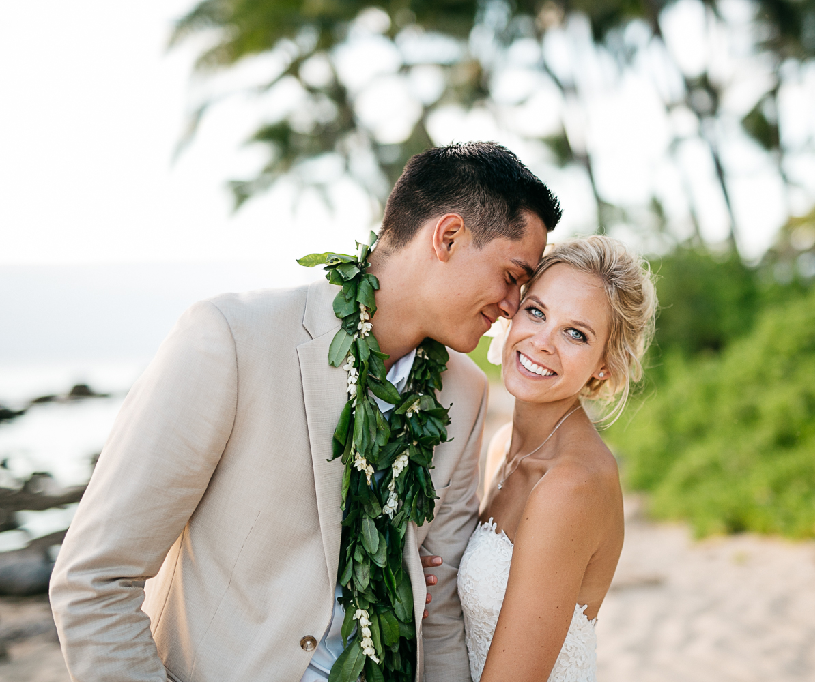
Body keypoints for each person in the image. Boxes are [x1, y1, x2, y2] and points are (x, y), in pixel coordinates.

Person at [49, 142, 562, 682]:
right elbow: (95, 581)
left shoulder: (465, 393)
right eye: (511, 275)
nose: (513, 306)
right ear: (448, 236)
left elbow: (442, 617)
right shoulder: (231, 340)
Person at [457, 236, 657, 682]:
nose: (541, 342)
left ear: (604, 364)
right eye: (536, 311)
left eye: (575, 333)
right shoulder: (503, 447)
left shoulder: (572, 485)